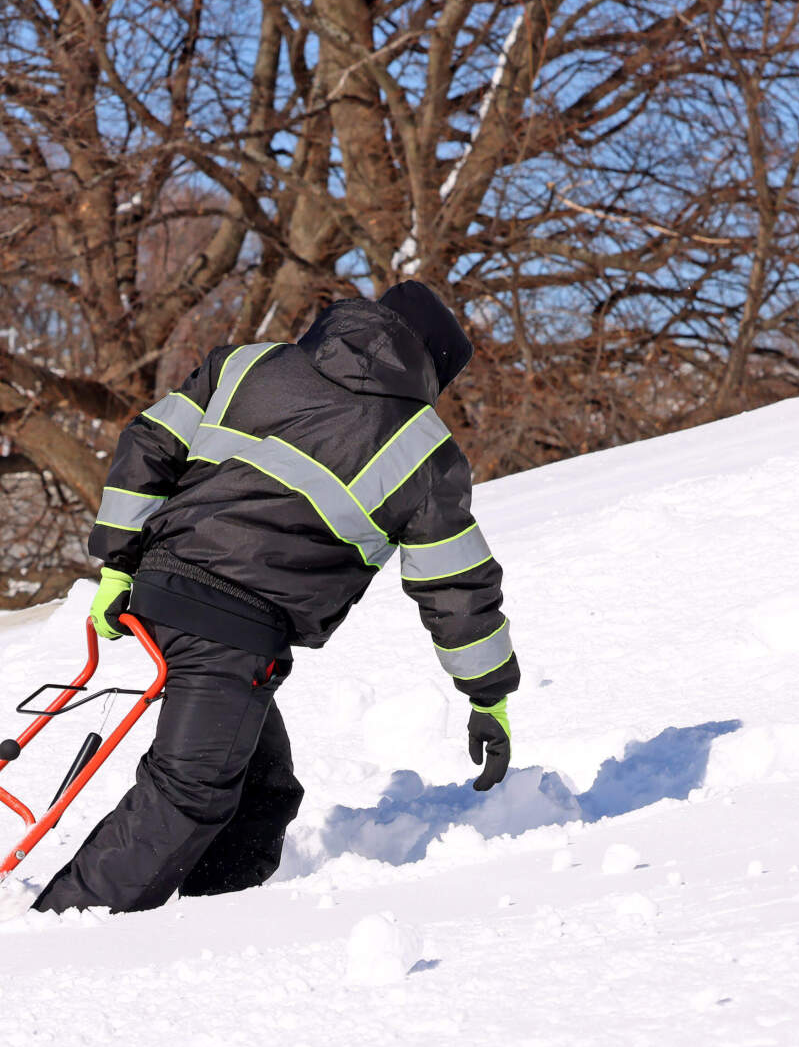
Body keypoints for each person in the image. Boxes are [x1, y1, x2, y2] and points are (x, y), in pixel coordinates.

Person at [34, 282, 517, 914]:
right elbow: (454, 580)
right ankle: (62, 931)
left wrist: (119, 565)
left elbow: (149, 441)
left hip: (162, 593)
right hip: (233, 628)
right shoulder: (423, 449)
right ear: (433, 368)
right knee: (191, 793)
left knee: (262, 792)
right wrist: (488, 694)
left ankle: (221, 919)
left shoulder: (248, 364)